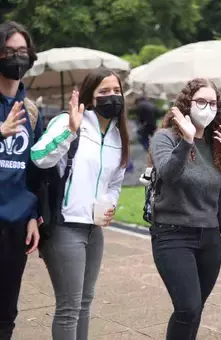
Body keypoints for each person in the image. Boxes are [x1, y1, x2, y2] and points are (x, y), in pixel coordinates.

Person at [30, 68, 129, 340]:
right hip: (64, 227)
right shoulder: (69, 121)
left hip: (94, 229)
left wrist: (111, 205)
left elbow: (114, 181)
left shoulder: (117, 136)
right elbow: (38, 156)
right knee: (69, 307)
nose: (112, 97)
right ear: (90, 95)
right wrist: (70, 132)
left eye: (116, 91)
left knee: (85, 303)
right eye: (104, 92)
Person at [149, 78, 221, 340]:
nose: (208, 108)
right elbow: (169, 174)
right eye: (201, 101)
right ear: (186, 104)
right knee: (187, 308)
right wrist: (187, 141)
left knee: (195, 310)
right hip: (172, 234)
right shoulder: (165, 137)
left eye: (213, 103)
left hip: (210, 238)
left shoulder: (216, 144)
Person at [0, 21, 42, 339]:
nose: (17, 57)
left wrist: (32, 215)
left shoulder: (30, 111)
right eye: (9, 51)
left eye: (22, 51)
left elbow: (33, 171)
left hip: (15, 225)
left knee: (6, 312)